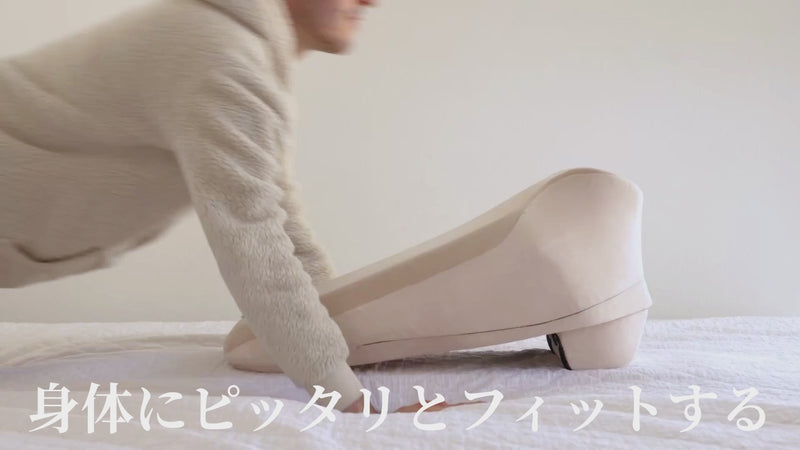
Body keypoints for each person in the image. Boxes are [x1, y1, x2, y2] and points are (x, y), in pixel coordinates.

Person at [0, 0, 472, 414]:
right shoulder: (218, 54)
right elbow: (254, 240)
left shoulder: (231, 48)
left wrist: (350, 347)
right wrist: (350, 402)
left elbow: (281, 223)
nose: (370, 1)